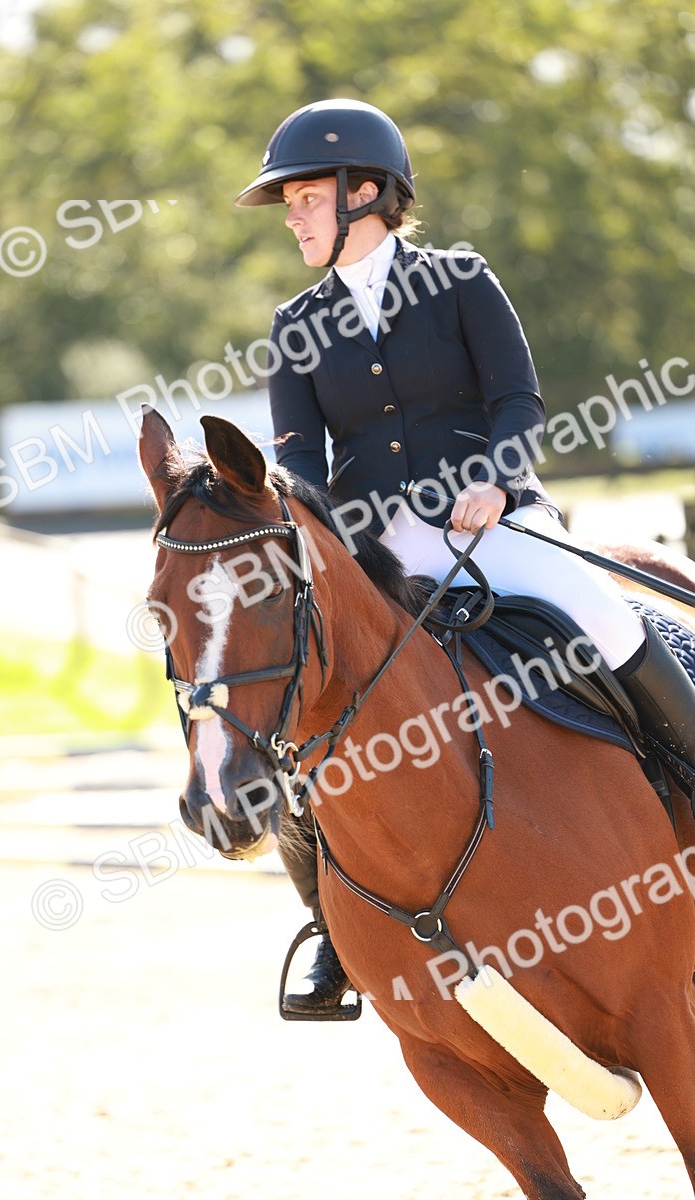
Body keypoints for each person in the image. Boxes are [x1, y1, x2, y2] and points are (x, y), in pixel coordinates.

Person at [235, 97, 695, 1018]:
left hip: (494, 518)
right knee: (300, 734)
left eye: (303, 198)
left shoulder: (458, 281)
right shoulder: (295, 325)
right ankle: (332, 932)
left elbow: (518, 402)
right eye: (286, 201)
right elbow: (296, 462)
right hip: (379, 551)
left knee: (603, 617)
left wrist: (492, 481)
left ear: (364, 192)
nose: (290, 214)